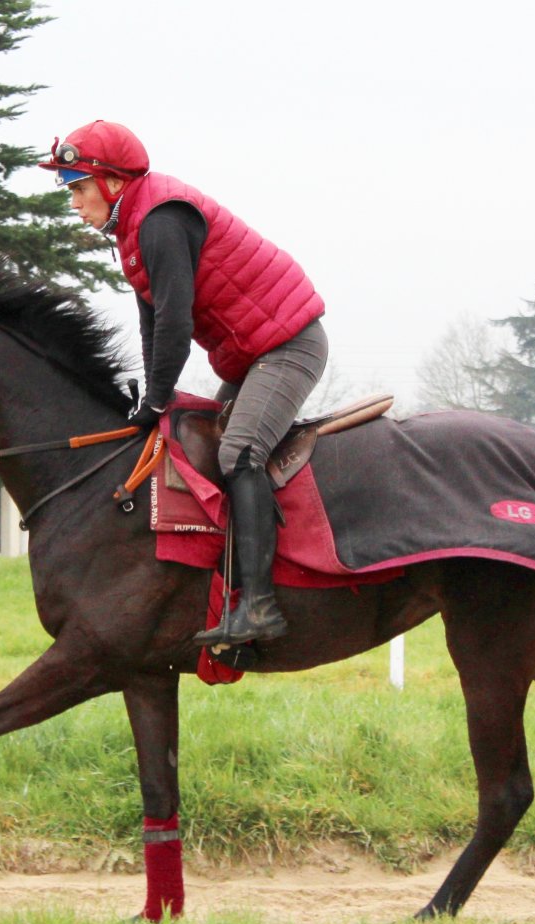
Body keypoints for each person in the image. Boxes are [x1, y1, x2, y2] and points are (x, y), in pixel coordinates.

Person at [40, 120, 328, 647]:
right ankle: (221, 596)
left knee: (238, 453)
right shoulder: (135, 227)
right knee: (202, 452)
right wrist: (155, 398)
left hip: (288, 346)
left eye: (79, 189)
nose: (74, 204)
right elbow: (153, 324)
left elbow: (175, 321)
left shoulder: (160, 221)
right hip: (255, 357)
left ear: (112, 182)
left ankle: (261, 607)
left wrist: (156, 399)